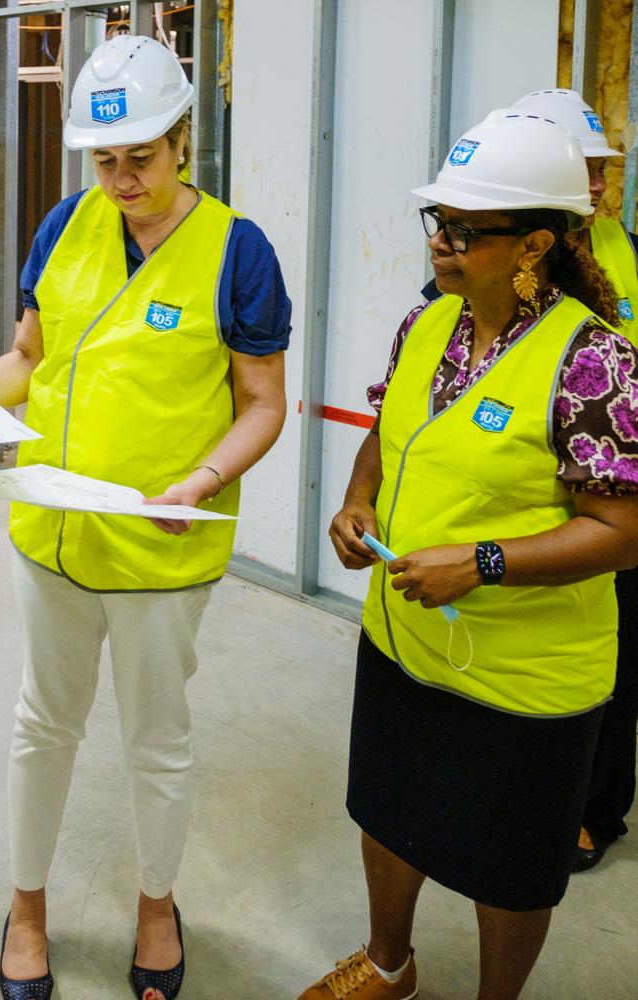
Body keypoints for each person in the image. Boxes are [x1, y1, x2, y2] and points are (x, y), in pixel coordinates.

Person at [296, 110, 638, 1000]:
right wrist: (358, 497)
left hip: (527, 675)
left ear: (533, 245)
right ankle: (387, 964)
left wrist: (477, 562)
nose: (440, 243)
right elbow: (391, 426)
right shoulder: (431, 323)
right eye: (436, 222)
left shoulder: (594, 363)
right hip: (407, 640)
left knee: (511, 861)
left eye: (462, 230)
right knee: (388, 808)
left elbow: (624, 532)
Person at [0, 34, 290, 1000]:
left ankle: (156, 903)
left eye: (142, 158)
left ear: (183, 140)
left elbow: (262, 403)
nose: (121, 180)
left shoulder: (237, 251)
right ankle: (27, 905)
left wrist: (200, 481)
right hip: (53, 533)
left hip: (163, 546)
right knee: (43, 725)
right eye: (104, 160)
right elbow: (29, 360)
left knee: (157, 736)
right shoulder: (63, 225)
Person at [510, 89, 638, 872]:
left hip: (612, 487)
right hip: (528, 480)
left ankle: (597, 808)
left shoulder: (626, 249)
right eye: (581, 168)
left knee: (616, 654)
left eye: (601, 169)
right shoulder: (504, 257)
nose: (595, 184)